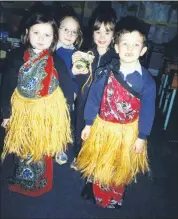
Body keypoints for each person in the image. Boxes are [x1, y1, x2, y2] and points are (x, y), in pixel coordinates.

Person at [76, 16, 156, 208]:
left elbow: (147, 111)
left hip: (128, 132)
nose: (129, 49)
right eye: (125, 44)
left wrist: (142, 136)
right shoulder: (105, 72)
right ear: (117, 47)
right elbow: (94, 99)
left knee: (120, 165)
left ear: (143, 50)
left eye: (135, 45)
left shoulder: (147, 82)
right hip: (103, 128)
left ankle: (115, 196)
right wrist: (88, 123)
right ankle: (96, 191)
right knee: (99, 160)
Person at [0, 12, 73, 197]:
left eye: (47, 35)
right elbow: (7, 86)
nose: (41, 39)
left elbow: (66, 89)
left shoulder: (57, 61)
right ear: (27, 33)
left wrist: (64, 119)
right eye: (36, 33)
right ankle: (21, 181)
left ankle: (41, 184)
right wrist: (6, 114)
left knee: (42, 150)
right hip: (22, 113)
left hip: (46, 115)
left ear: (54, 38)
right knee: (23, 148)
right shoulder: (17, 58)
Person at [71, 8, 118, 174]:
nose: (102, 37)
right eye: (98, 32)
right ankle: (79, 155)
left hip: (104, 105)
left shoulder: (116, 59)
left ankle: (96, 158)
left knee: (98, 133)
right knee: (80, 127)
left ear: (114, 35)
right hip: (84, 101)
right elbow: (76, 80)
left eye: (107, 32)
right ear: (92, 33)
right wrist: (75, 68)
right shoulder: (85, 54)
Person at [55, 13, 84, 165]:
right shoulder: (51, 50)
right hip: (51, 94)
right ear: (56, 29)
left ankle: (60, 147)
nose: (69, 34)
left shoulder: (77, 54)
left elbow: (77, 79)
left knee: (64, 122)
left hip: (68, 96)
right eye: (65, 29)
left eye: (74, 32)